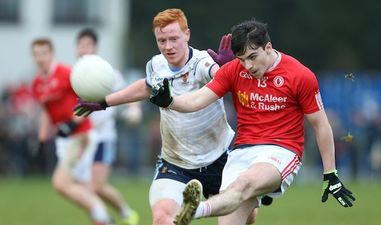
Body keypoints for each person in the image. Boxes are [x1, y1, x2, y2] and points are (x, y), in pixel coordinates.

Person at [149, 20, 356, 225]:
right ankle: (195, 210)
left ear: (268, 47)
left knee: (244, 184)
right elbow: (197, 99)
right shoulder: (233, 70)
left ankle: (192, 211)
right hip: (241, 152)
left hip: (280, 151)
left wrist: (330, 173)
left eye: (252, 57)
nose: (248, 66)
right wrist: (170, 101)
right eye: (242, 59)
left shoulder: (300, 75)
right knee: (234, 210)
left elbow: (320, 124)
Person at [73, 8, 258, 225]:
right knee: (162, 218)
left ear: (187, 34)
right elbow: (145, 87)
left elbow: (219, 76)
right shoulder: (156, 64)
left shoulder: (202, 62)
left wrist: (228, 69)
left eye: (173, 39)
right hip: (176, 163)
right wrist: (104, 102)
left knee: (247, 217)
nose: (168, 46)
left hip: (219, 159)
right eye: (161, 40)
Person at [30, 38, 112, 225]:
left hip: (80, 136)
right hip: (63, 139)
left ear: (51, 54)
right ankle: (102, 218)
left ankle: (105, 217)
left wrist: (74, 123)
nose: (40, 58)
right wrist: (42, 140)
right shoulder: (37, 83)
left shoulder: (66, 73)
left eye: (44, 53)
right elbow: (45, 111)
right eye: (36, 54)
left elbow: (88, 98)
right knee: (82, 187)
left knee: (61, 183)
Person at [75, 28, 141, 225]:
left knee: (96, 187)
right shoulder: (74, 75)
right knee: (86, 189)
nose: (84, 49)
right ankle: (104, 221)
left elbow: (129, 94)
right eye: (81, 45)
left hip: (104, 137)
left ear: (95, 47)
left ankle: (126, 213)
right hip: (82, 140)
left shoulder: (106, 72)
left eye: (88, 44)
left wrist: (134, 110)